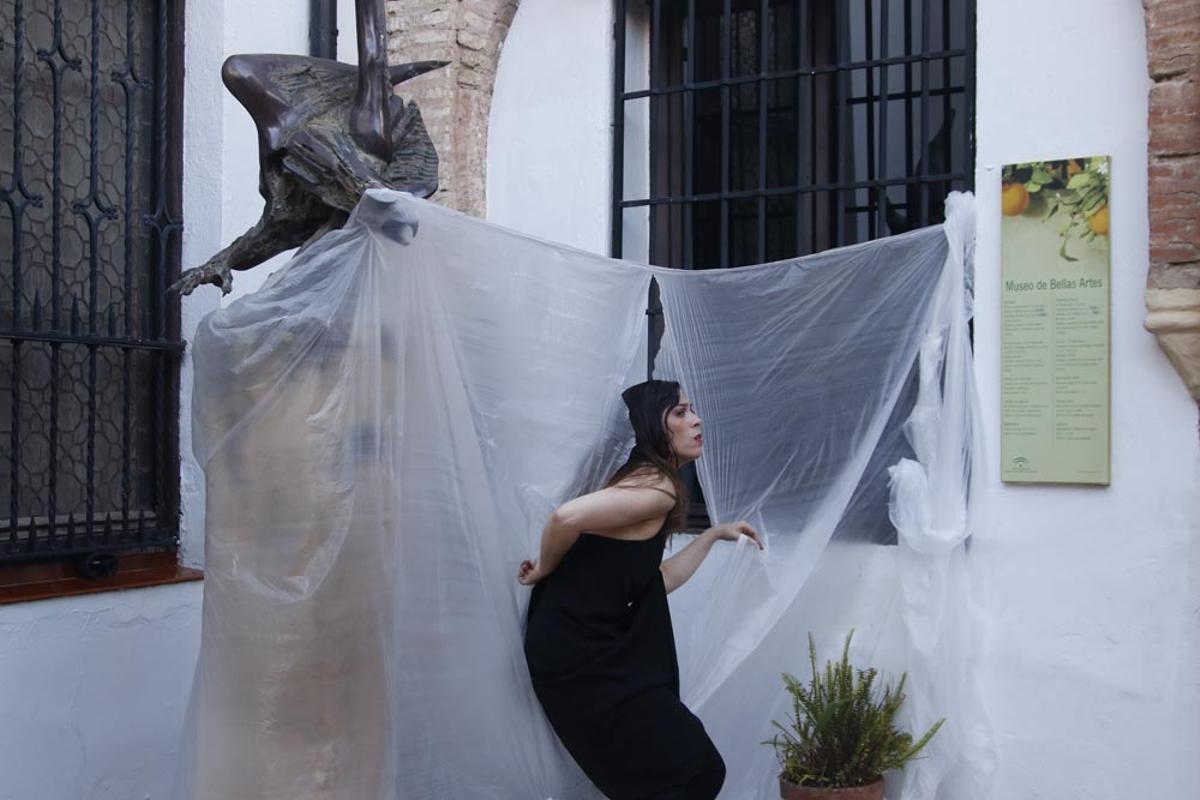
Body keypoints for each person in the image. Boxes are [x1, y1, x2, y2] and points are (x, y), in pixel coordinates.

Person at [519, 379, 762, 800]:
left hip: (587, 646)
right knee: (691, 768)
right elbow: (564, 518)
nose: (696, 419)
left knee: (688, 770)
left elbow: (656, 581)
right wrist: (544, 568)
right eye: (680, 412)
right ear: (654, 424)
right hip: (578, 654)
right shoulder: (657, 489)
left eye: (692, 409)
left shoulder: (650, 480)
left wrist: (713, 535)